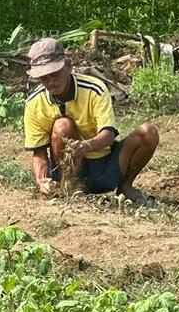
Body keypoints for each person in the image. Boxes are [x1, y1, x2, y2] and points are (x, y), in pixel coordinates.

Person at [22, 38, 160, 204]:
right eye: (44, 78)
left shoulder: (95, 88)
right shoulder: (34, 103)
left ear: (68, 65)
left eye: (55, 74)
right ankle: (70, 186)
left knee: (148, 132)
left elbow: (108, 134)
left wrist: (86, 146)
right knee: (62, 125)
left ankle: (125, 187)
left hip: (104, 166)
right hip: (65, 168)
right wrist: (41, 180)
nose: (51, 82)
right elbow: (39, 152)